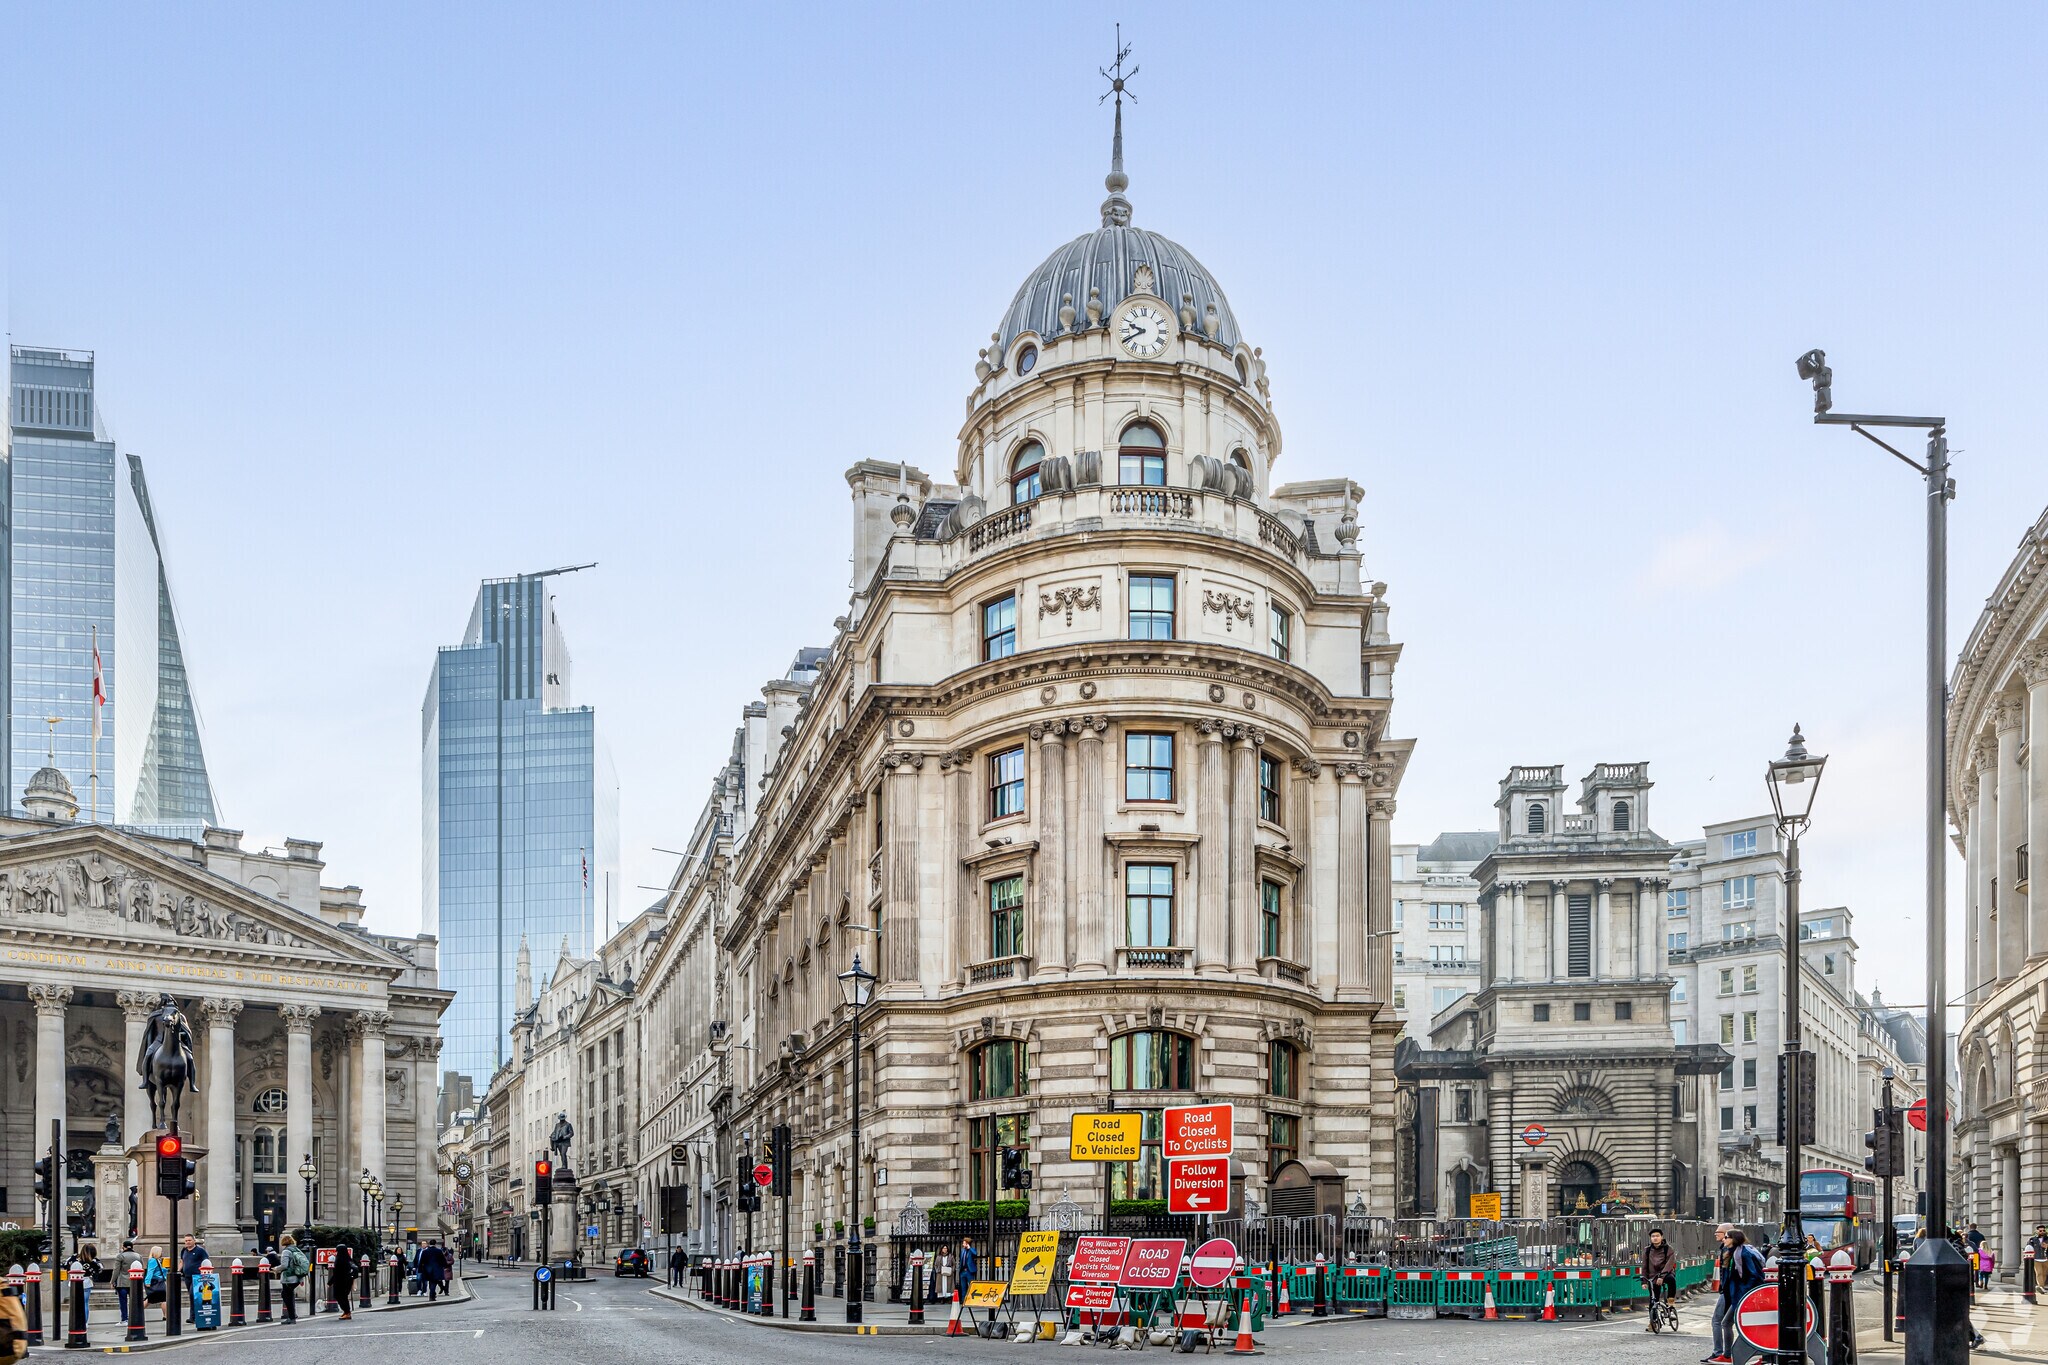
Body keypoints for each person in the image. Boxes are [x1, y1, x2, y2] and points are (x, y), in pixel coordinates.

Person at [1707, 1227, 1765, 1365]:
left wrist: (1745, 1292)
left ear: (1734, 1239)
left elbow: (1754, 1275)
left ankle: (1730, 1355)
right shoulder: (1732, 1253)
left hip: (1743, 1296)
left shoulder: (1743, 1254)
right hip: (1735, 1295)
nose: (1724, 1239)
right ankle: (1729, 1355)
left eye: (1726, 1237)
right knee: (1731, 1323)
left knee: (1729, 1323)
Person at [1640, 1227, 1676, 1332]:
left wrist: (1662, 1276)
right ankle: (1653, 1322)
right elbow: (1644, 1266)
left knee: (1671, 1280)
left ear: (1661, 1237)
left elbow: (1670, 1263)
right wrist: (1644, 1281)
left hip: (1666, 1274)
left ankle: (1670, 1301)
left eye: (1657, 1236)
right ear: (1650, 1238)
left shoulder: (1668, 1249)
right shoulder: (1647, 1250)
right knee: (1653, 1300)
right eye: (1653, 1236)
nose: (1655, 1238)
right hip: (1653, 1276)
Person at [277, 1234, 309, 1323]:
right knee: (289, 1295)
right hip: (297, 1277)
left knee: (286, 1296)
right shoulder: (296, 1249)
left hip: (288, 1278)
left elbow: (284, 1265)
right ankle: (292, 1315)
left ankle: (291, 1317)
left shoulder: (286, 1251)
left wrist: (276, 1269)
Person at [115, 1240, 143, 1322]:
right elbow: (141, 1268)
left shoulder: (120, 1256)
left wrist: (112, 1281)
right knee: (134, 1301)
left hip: (122, 1282)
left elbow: (116, 1270)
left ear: (123, 1247)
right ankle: (135, 1317)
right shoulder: (138, 1256)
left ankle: (124, 1318)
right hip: (135, 1283)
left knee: (123, 1302)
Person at [330, 1244, 357, 1321]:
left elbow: (336, 1273)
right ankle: (346, 1312)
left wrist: (330, 1282)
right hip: (347, 1281)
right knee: (343, 1297)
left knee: (340, 1297)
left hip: (340, 1282)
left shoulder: (339, 1260)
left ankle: (347, 1312)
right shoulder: (348, 1259)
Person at [957, 1236, 979, 1301]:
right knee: (963, 1287)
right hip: (963, 1271)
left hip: (969, 1271)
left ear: (967, 1244)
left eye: (964, 1243)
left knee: (971, 1286)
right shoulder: (962, 1251)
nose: (963, 1244)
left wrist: (969, 1248)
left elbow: (975, 1254)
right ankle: (963, 1299)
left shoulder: (972, 1250)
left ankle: (972, 1299)